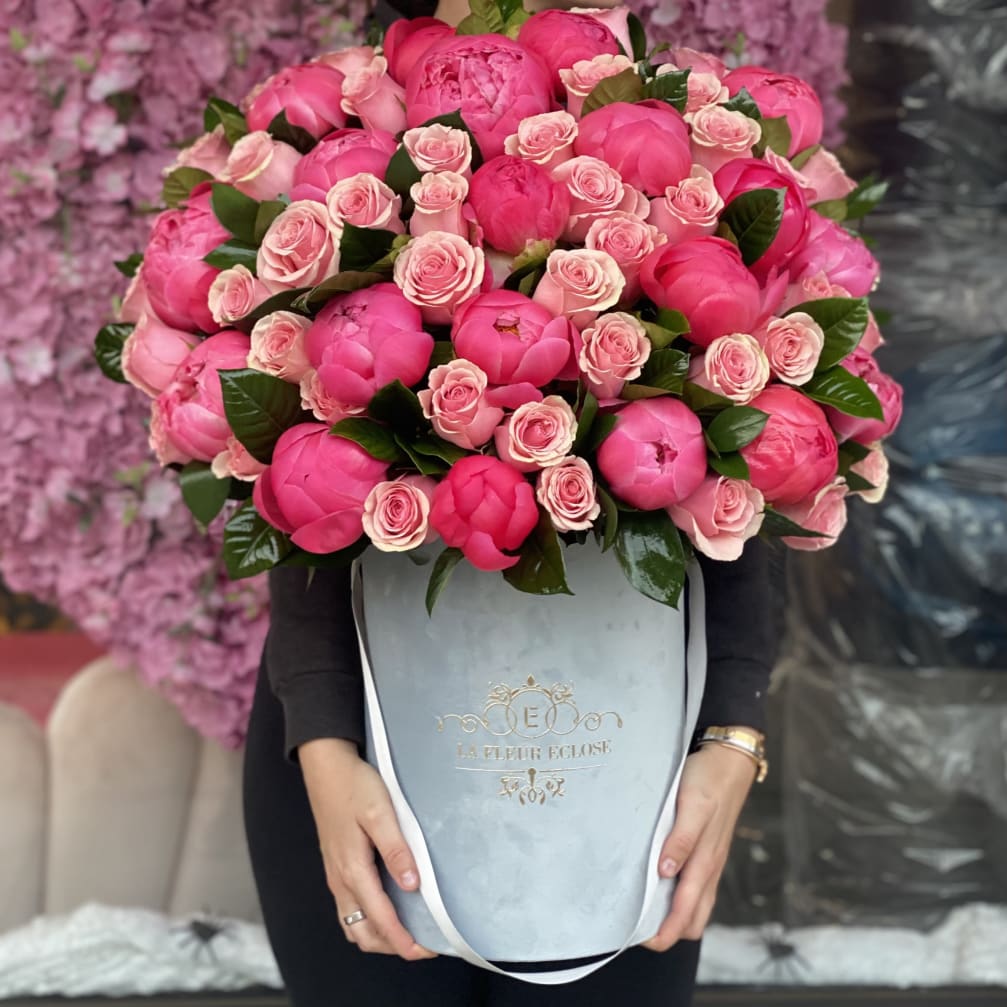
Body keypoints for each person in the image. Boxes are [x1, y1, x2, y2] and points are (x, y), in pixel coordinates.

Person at [241, 4, 777, 1005]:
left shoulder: (684, 142)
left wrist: (731, 735)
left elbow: (751, 480)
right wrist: (320, 739)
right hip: (352, 754)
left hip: (628, 756)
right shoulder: (340, 154)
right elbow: (299, 483)